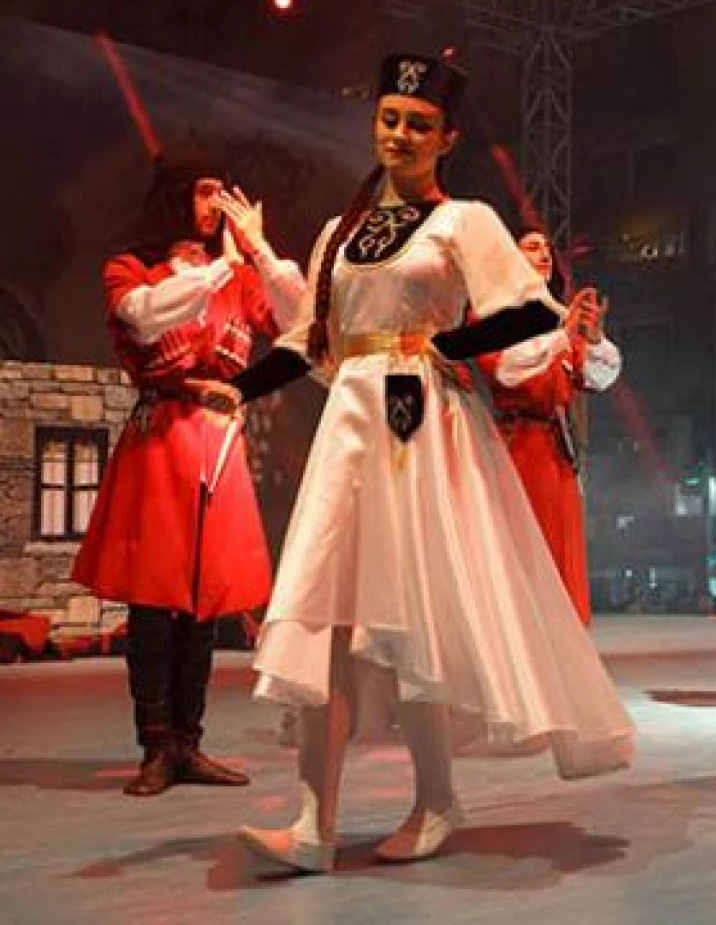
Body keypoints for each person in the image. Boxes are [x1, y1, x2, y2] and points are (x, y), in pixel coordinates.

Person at [222, 53, 633, 873]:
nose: (400, 133)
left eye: (418, 123)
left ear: (446, 137)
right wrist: (234, 389)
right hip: (349, 425)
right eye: (389, 118)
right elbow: (309, 339)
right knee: (327, 618)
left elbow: (523, 309)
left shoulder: (464, 222)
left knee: (408, 616)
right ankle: (312, 824)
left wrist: (446, 342)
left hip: (419, 417)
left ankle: (436, 798)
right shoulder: (338, 234)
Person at [72, 156, 305, 797]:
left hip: (216, 446)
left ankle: (190, 744)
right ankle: (157, 745)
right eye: (206, 192)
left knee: (202, 605)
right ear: (176, 198)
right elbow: (147, 315)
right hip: (160, 444)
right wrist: (224, 267)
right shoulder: (133, 269)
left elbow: (301, 319)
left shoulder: (235, 277)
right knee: (153, 601)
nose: (217, 204)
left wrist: (256, 249)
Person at [480, 225, 621, 623]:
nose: (543, 253)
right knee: (525, 552)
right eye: (530, 247)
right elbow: (505, 370)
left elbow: (597, 378)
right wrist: (565, 334)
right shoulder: (497, 314)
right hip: (517, 448)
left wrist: (592, 338)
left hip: (555, 452)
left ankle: (561, 646)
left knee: (561, 555)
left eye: (546, 247)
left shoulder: (560, 320)